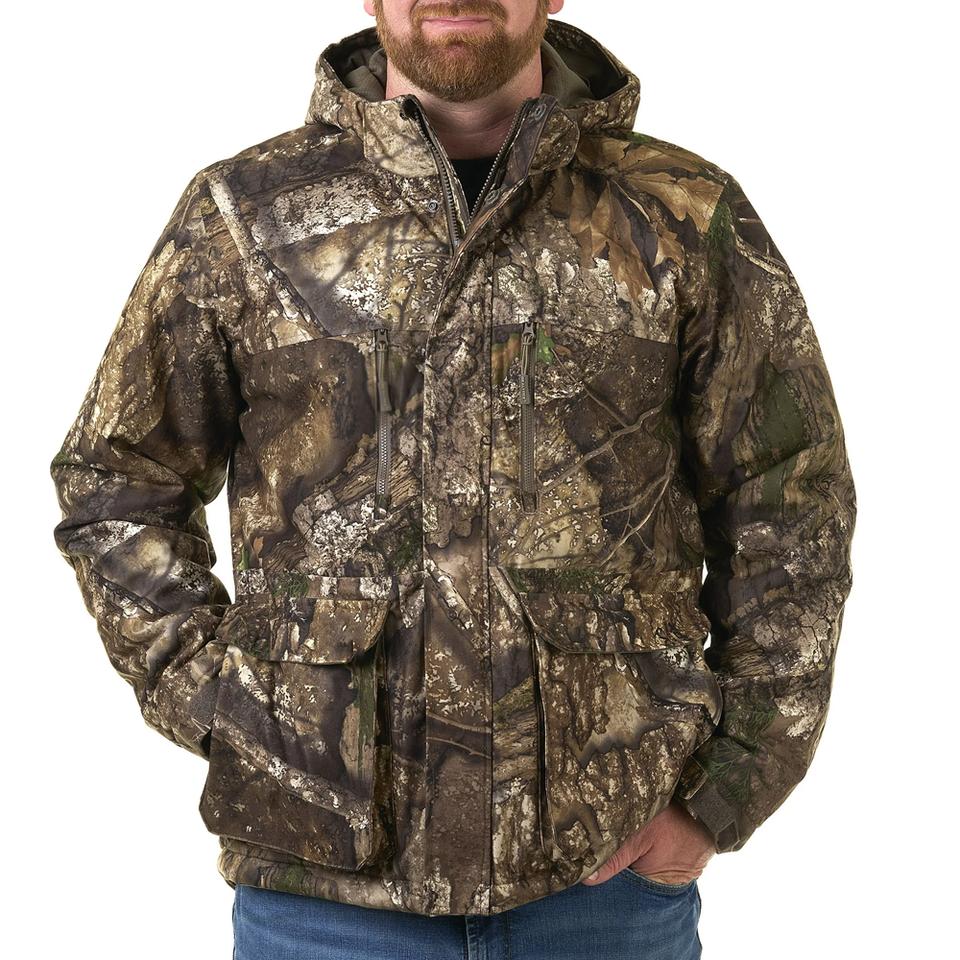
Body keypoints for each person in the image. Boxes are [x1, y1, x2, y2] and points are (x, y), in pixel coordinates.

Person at [51, 1, 856, 957]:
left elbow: (789, 502)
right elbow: (116, 482)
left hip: (603, 886)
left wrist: (725, 789)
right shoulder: (246, 216)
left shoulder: (679, 214)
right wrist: (233, 715)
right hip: (325, 897)